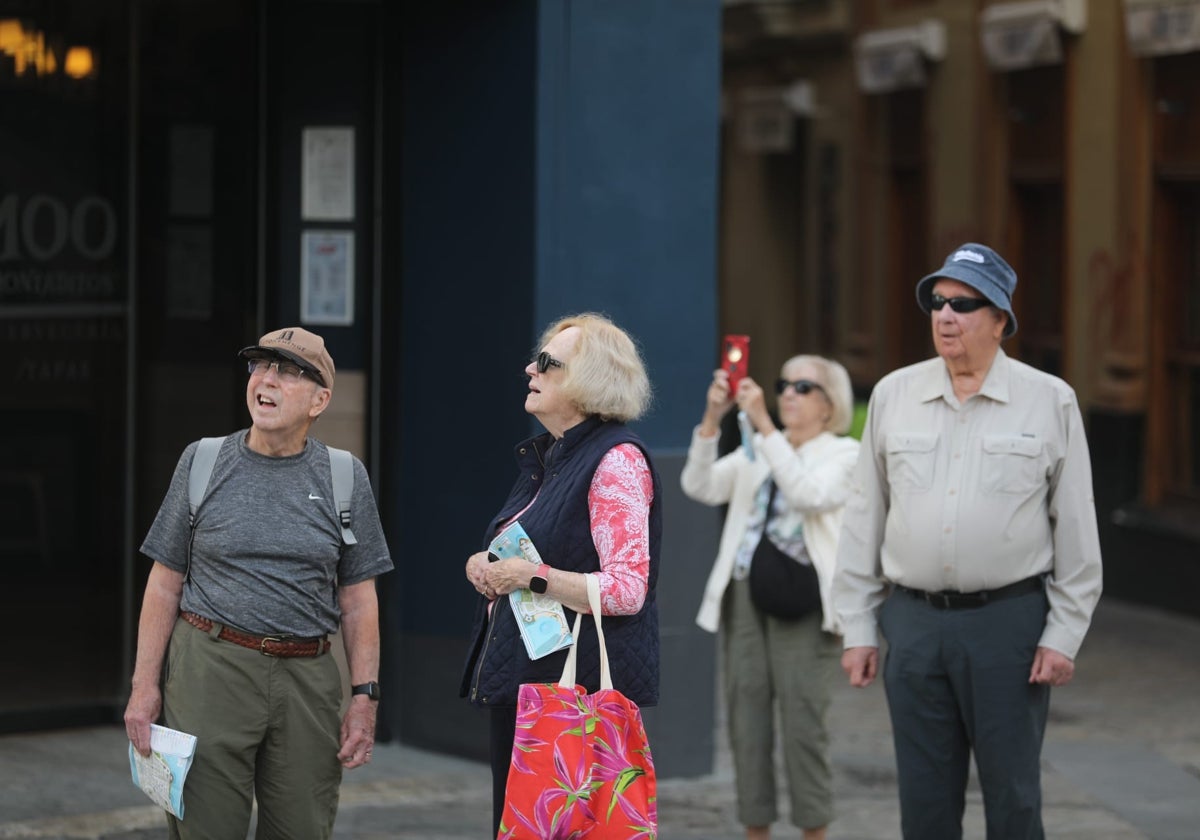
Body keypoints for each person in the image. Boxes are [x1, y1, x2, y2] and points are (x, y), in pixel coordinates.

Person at [833, 243, 1103, 839]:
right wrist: (856, 627)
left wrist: (1063, 635)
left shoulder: (1049, 399)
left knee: (1012, 797)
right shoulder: (893, 394)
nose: (945, 316)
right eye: (937, 301)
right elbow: (863, 516)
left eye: (964, 303)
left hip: (1008, 624)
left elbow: (1076, 525)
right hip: (913, 623)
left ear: (1001, 320)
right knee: (924, 804)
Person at [124, 327, 393, 840]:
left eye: (288, 372)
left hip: (307, 678)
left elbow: (358, 599)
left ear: (321, 399)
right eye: (260, 367)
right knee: (206, 828)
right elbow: (164, 583)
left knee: (301, 828)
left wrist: (365, 698)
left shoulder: (344, 476)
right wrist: (143, 687)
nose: (266, 380)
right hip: (210, 668)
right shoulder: (201, 462)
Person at [459, 312, 663, 837]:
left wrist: (531, 574)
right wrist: (484, 566)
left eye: (548, 362)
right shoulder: (550, 458)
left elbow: (626, 590)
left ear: (588, 379)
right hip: (529, 683)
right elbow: (518, 550)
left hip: (571, 696)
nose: (530, 368)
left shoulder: (616, 460)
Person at [680, 354, 859, 840]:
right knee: (747, 722)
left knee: (804, 726)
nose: (787, 395)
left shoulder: (844, 454)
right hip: (744, 596)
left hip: (805, 602)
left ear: (830, 404)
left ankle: (812, 832)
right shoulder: (760, 449)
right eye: (784, 384)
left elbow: (809, 495)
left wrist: (762, 425)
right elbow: (698, 485)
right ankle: (755, 830)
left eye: (803, 386)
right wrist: (713, 419)